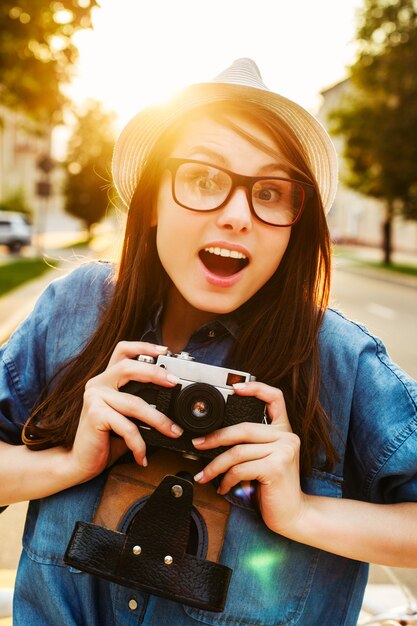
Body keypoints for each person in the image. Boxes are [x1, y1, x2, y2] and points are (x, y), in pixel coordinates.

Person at [0, 58, 416, 626]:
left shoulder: (339, 362)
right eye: (202, 179)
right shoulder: (74, 312)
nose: (238, 215)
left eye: (271, 192)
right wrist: (68, 462)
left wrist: (301, 514)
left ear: (297, 226)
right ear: (150, 204)